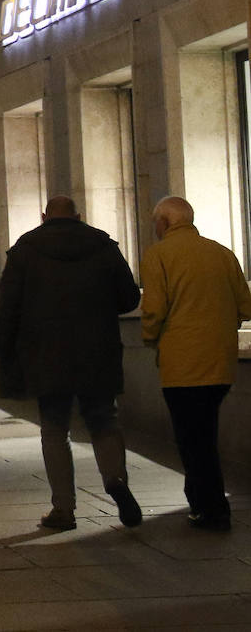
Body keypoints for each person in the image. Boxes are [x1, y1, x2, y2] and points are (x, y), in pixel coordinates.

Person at [0, 196, 142, 531]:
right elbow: (129, 297)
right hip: (97, 350)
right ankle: (115, 479)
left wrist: (4, 350)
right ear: (79, 216)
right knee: (104, 419)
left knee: (54, 427)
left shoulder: (25, 250)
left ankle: (63, 509)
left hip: (45, 353)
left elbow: (8, 308)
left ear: (44, 216)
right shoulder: (103, 245)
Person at [140, 195, 251, 531]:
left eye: (155, 222)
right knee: (205, 432)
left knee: (191, 438)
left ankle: (210, 508)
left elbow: (154, 309)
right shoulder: (222, 253)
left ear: (165, 222)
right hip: (219, 362)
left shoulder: (158, 255)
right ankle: (205, 503)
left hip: (182, 364)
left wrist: (150, 337)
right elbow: (245, 307)